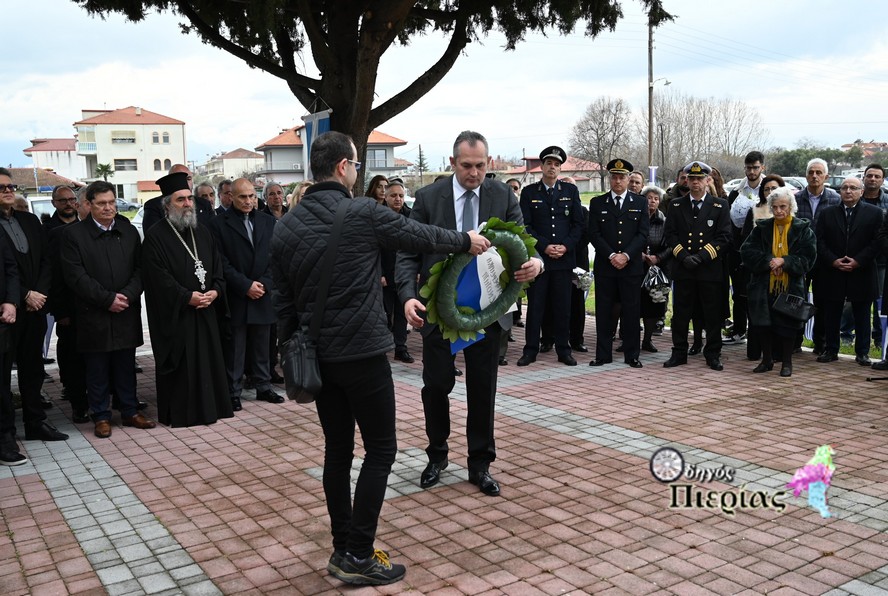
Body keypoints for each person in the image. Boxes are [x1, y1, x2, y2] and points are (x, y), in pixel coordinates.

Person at [271, 130, 489, 586]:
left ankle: (340, 545)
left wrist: (294, 347)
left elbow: (282, 300)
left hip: (317, 357)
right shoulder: (362, 211)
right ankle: (358, 553)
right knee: (381, 450)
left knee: (337, 450)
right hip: (364, 353)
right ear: (345, 168)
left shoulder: (286, 224)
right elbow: (418, 234)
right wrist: (465, 241)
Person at [396, 131, 543, 498]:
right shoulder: (430, 198)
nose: (474, 173)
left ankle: (480, 465)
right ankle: (437, 456)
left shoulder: (502, 195)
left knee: (482, 390)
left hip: (488, 312)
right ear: (452, 163)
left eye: (480, 166)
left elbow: (521, 241)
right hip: (437, 312)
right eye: (466, 166)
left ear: (489, 163)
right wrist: (406, 297)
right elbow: (407, 254)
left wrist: (535, 264)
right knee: (436, 386)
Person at [62, 181, 155, 438]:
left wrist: (126, 295)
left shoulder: (128, 231)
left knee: (126, 364)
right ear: (88, 205)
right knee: (97, 367)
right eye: (102, 203)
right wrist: (107, 300)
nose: (108, 208)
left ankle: (129, 411)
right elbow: (76, 276)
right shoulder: (73, 235)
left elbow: (140, 269)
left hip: (125, 309)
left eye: (112, 202)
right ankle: (101, 416)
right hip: (94, 313)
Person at [142, 172, 233, 427]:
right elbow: (157, 279)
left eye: (189, 199)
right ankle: (183, 413)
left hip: (206, 310)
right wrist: (186, 297)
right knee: (184, 365)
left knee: (208, 360)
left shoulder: (202, 232)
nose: (187, 204)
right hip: (178, 315)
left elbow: (217, 268)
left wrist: (215, 291)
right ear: (167, 205)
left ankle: (211, 408)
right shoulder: (155, 237)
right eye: (180, 200)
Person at [0, 168, 66, 442]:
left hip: (34, 308)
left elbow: (46, 260)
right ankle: (5, 434)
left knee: (33, 368)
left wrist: (38, 293)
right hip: (6, 311)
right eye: (2, 187)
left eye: (10, 186)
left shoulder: (29, 221)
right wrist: (24, 295)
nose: (8, 190)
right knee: (3, 376)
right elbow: (6, 269)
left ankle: (35, 422)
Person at [211, 178, 281, 411]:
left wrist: (263, 283)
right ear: (231, 196)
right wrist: (245, 285)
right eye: (243, 197)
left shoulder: (268, 222)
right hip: (237, 295)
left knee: (263, 344)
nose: (249, 201)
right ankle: (233, 391)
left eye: (252, 196)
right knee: (235, 348)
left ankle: (263, 386)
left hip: (262, 292)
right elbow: (220, 261)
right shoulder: (218, 224)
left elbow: (276, 258)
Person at [517, 146, 584, 367]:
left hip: (564, 261)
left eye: (556, 164)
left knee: (563, 307)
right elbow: (525, 226)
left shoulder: (570, 191)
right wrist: (544, 247)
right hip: (540, 260)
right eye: (548, 163)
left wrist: (565, 246)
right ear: (542, 167)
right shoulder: (529, 192)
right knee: (536, 307)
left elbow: (578, 224)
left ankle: (563, 350)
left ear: (560, 167)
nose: (552, 167)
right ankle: (530, 350)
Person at [663, 161, 732, 371]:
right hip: (684, 269)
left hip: (708, 269)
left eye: (699, 178)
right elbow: (670, 235)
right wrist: (684, 257)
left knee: (712, 315)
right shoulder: (676, 205)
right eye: (691, 178)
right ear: (686, 180)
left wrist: (701, 257)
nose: (695, 182)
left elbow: (724, 237)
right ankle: (679, 352)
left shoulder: (720, 205)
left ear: (707, 180)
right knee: (681, 315)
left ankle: (712, 354)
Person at [741, 187, 816, 377]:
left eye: (783, 206)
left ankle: (787, 363)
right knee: (764, 324)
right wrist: (769, 262)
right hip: (764, 284)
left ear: (791, 206)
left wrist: (786, 261)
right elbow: (747, 252)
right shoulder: (762, 228)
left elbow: (809, 257)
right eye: (775, 207)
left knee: (787, 325)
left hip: (790, 284)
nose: (779, 211)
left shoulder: (803, 229)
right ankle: (766, 360)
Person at [588, 158, 649, 368]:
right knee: (604, 311)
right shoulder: (598, 203)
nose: (617, 181)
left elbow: (643, 234)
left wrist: (626, 256)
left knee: (632, 312)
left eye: (621, 177)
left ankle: (632, 354)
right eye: (614, 177)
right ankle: (603, 354)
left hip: (631, 267)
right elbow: (594, 234)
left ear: (628, 179)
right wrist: (612, 255)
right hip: (607, 266)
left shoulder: (640, 203)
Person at [815, 176, 883, 365]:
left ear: (861, 191)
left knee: (862, 314)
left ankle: (862, 352)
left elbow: (877, 242)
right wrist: (833, 261)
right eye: (844, 187)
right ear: (839, 191)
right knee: (832, 313)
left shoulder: (875, 213)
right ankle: (831, 349)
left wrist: (858, 261)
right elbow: (819, 241)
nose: (848, 191)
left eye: (853, 188)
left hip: (862, 270)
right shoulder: (827, 213)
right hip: (833, 270)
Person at [44, 185, 89, 424]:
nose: (69, 204)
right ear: (54, 203)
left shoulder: (87, 229)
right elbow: (53, 275)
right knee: (71, 357)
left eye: (73, 199)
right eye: (64, 200)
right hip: (68, 307)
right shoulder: (51, 232)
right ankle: (77, 402)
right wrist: (60, 310)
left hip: (91, 306)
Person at [795, 158, 841, 354]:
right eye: (811, 172)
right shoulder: (795, 199)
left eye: (819, 172)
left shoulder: (835, 199)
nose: (814, 176)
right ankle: (795, 341)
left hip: (825, 260)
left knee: (823, 301)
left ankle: (820, 343)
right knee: (796, 299)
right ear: (806, 176)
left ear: (826, 176)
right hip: (800, 259)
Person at [727, 151, 766, 344]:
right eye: (748, 168)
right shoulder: (736, 191)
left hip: (762, 250)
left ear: (762, 168)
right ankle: (739, 329)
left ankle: (758, 333)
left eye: (755, 167)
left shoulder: (769, 190)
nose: (751, 171)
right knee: (739, 293)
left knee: (759, 294)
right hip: (738, 249)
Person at [380, 179, 413, 363]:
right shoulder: (378, 216)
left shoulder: (411, 216)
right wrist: (379, 273)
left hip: (404, 273)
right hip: (385, 273)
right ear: (386, 198)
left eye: (401, 196)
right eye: (393, 196)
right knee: (384, 313)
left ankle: (401, 347)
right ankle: (384, 345)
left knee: (402, 313)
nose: (398, 199)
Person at [639, 185, 670, 352]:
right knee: (633, 304)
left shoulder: (664, 220)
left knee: (653, 305)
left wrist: (657, 258)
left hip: (657, 269)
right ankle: (628, 338)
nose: (652, 201)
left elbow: (670, 245)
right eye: (649, 198)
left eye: (656, 199)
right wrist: (639, 255)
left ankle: (647, 340)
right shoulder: (636, 217)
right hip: (637, 266)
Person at [143, 164, 214, 231]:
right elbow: (154, 236)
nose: (185, 183)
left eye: (188, 179)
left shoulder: (204, 204)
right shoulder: (154, 206)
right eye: (180, 200)